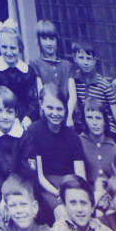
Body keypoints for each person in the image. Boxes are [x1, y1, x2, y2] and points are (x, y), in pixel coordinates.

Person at [0, 86, 37, 222]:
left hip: (19, 193)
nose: (4, 116)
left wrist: (14, 199)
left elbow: (28, 173)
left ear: (16, 113)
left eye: (9, 112)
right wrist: (2, 200)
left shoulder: (24, 137)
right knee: (1, 214)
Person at [30, 84, 86, 221]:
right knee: (62, 212)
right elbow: (40, 176)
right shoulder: (34, 132)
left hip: (70, 186)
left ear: (65, 109)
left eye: (59, 109)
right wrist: (58, 193)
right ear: (41, 105)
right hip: (47, 188)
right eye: (50, 108)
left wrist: (73, 193)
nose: (55, 113)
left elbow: (80, 176)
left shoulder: (73, 137)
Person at [70, 39, 116, 141]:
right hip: (84, 131)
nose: (85, 63)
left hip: (106, 132)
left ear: (94, 60)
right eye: (81, 58)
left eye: (89, 58)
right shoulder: (73, 82)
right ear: (75, 58)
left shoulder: (104, 85)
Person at [0, 24, 39, 128]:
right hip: (0, 117)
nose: (9, 52)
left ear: (19, 48)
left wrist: (27, 118)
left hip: (23, 119)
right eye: (4, 47)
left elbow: (32, 101)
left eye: (13, 48)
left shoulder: (27, 71)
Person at [28, 20, 76, 127]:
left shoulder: (67, 65)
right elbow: (41, 94)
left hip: (66, 117)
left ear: (57, 41)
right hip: (46, 117)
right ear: (39, 41)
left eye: (52, 39)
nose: (48, 43)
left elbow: (72, 95)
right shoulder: (35, 64)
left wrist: (69, 117)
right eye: (44, 39)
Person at [78, 97, 116, 204]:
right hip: (88, 197)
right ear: (85, 120)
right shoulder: (79, 143)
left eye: (98, 118)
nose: (94, 123)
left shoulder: (115, 149)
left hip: (112, 199)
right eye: (90, 118)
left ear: (105, 121)